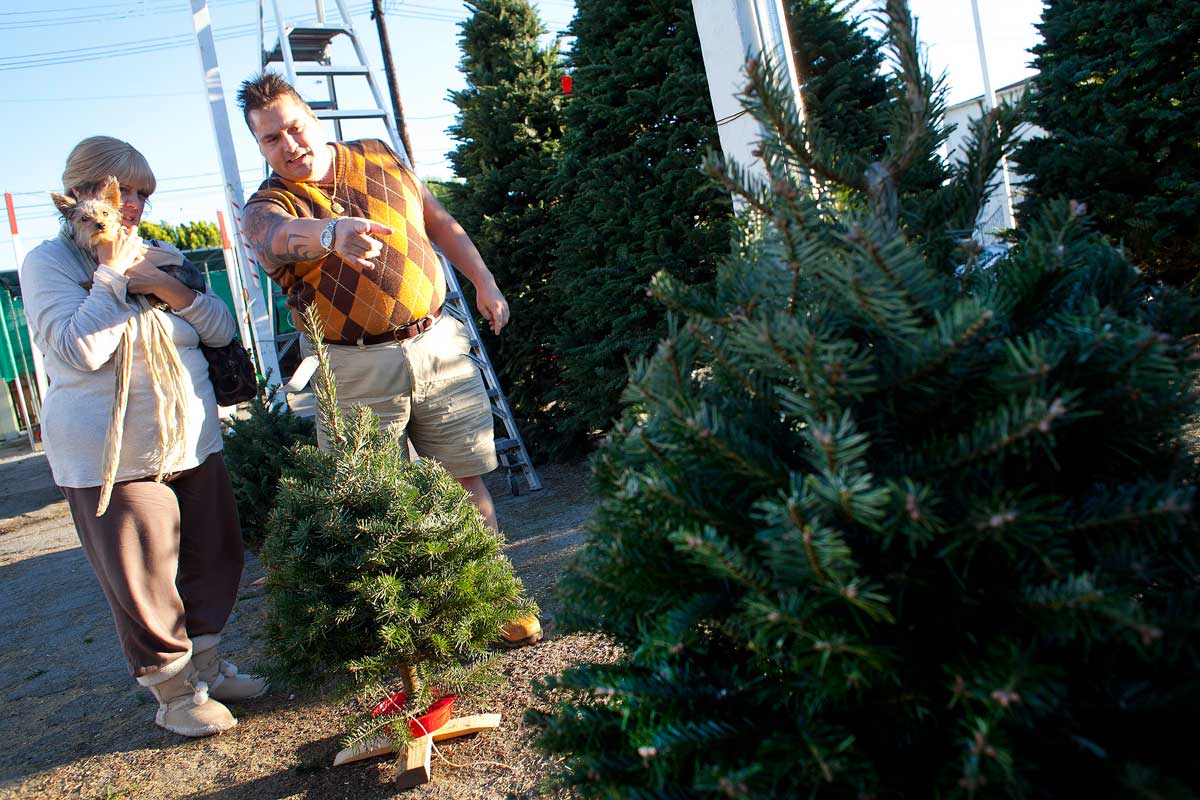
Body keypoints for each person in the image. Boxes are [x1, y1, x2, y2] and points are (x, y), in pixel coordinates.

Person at [236, 72, 542, 647]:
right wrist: (331, 235)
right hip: (351, 370)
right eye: (271, 139)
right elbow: (272, 237)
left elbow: (438, 222)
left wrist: (484, 280)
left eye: (294, 127)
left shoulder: (380, 155)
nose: (290, 144)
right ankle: (410, 633)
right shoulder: (269, 203)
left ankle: (495, 598)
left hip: (437, 347)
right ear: (261, 147)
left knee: (464, 481)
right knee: (374, 499)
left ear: (313, 118)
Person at [19, 136, 267, 738]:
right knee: (144, 578)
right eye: (120, 191)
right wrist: (114, 275)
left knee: (214, 559)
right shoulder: (49, 264)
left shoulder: (161, 251)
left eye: (142, 193)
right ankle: (176, 694)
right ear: (80, 193)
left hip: (193, 442)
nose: (133, 204)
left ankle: (206, 666)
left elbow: (219, 326)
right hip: (113, 460)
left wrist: (172, 289)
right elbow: (78, 351)